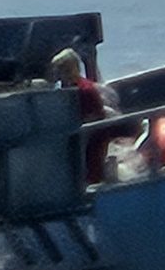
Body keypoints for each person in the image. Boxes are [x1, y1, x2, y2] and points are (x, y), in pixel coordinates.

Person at [50, 48, 121, 181]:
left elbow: (95, 116)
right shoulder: (66, 89)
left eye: (60, 69)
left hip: (93, 138)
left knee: (92, 171)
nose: (57, 74)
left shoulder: (85, 90)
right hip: (78, 137)